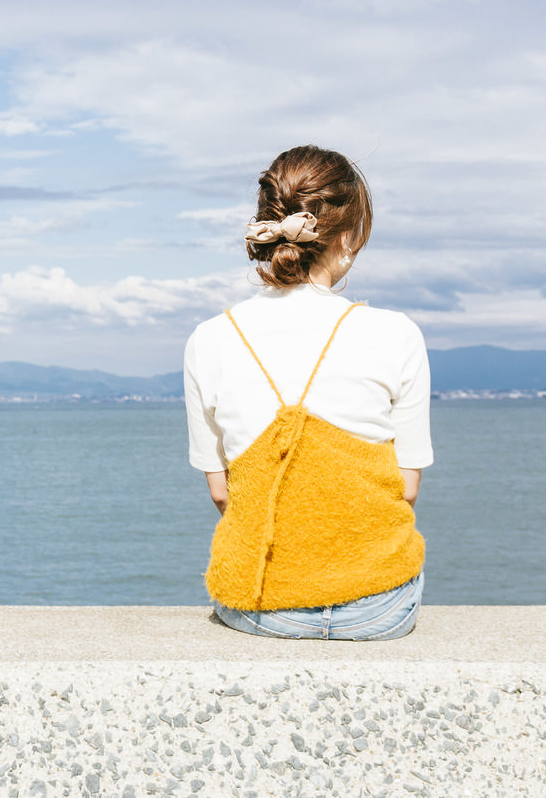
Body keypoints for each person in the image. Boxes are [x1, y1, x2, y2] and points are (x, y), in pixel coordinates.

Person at [183, 145, 431, 639]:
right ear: (352, 235)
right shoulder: (397, 333)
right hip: (379, 607)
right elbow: (405, 489)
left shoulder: (209, 338)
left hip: (257, 604)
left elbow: (221, 492)